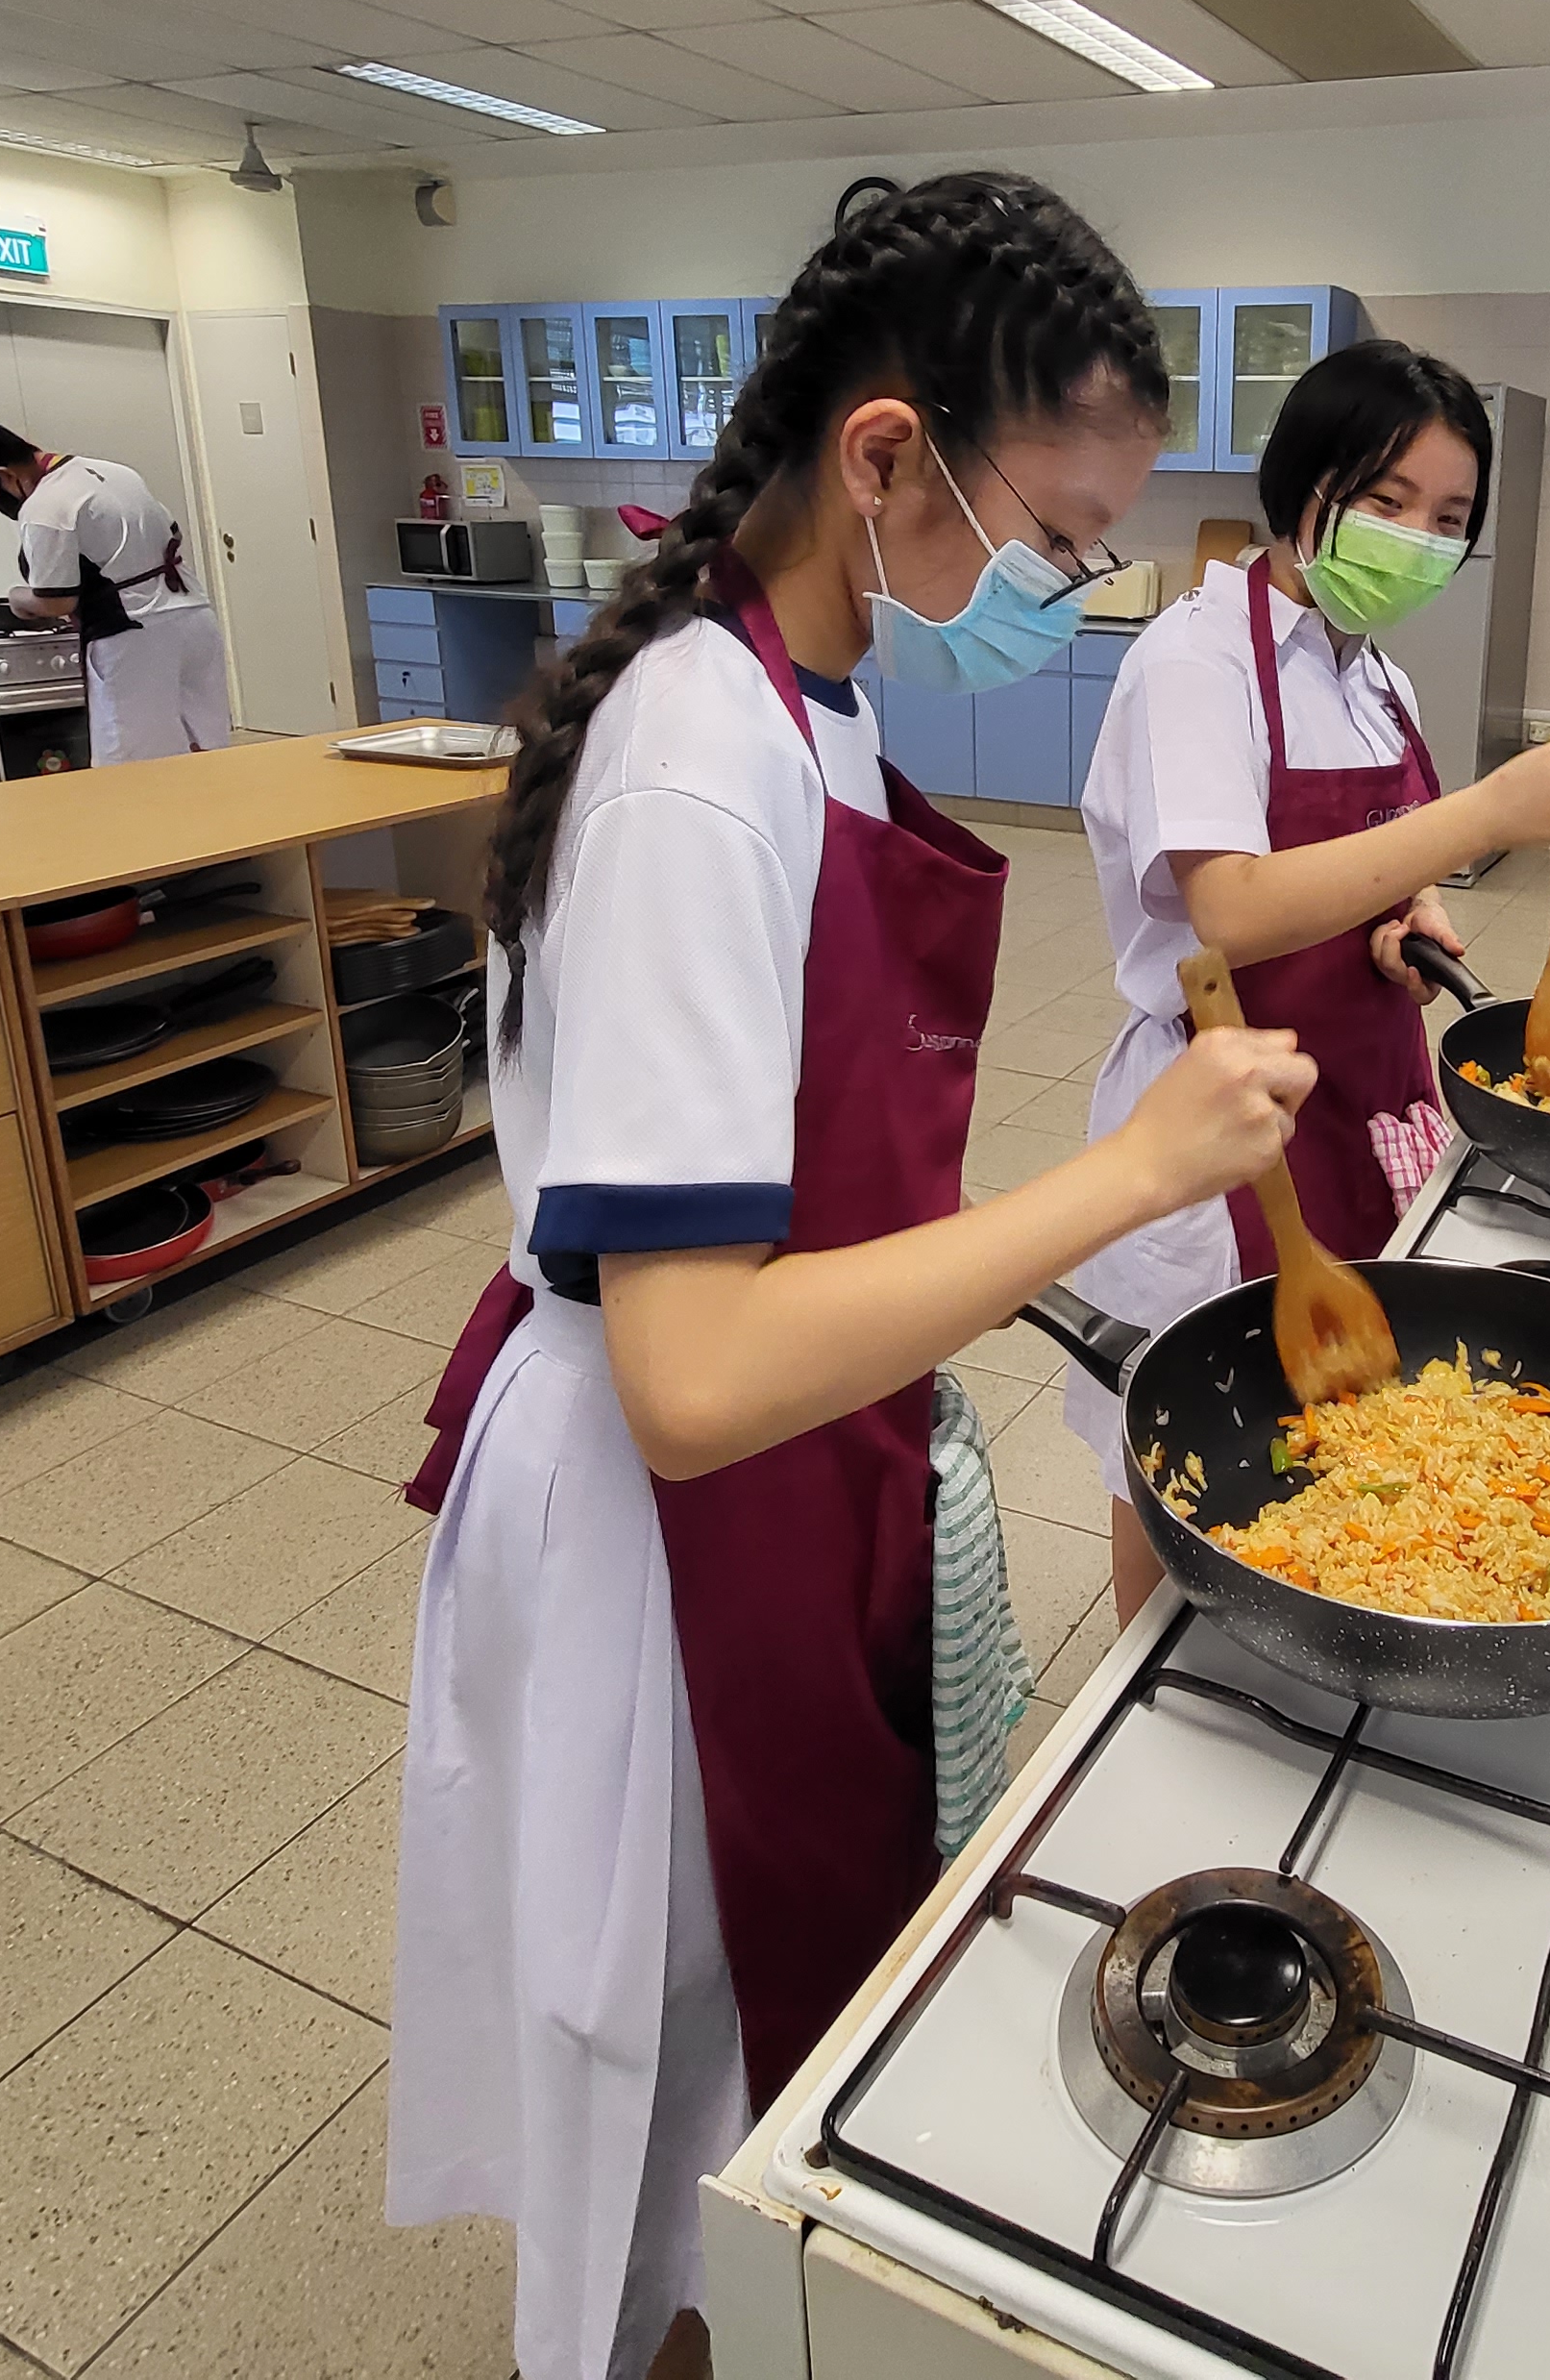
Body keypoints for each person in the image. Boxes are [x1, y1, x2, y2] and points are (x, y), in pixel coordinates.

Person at [386, 173, 1316, 2380]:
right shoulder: (697, 755)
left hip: (777, 1458)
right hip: (663, 1495)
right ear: (885, 457)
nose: (1073, 594)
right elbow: (697, 1370)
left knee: (740, 2046)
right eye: (1063, 540)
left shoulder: (801, 690)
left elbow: (793, 1178)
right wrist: (1121, 1181)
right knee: (656, 2056)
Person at [1064, 338, 1550, 1623]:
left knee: (1332, 1430)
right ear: (1307, 481)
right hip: (1218, 1119)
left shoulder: (1375, 674)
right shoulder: (1195, 660)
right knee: (1178, 1447)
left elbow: (1364, 870)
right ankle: (1147, 1689)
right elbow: (1227, 908)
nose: (1419, 540)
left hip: (1357, 1096)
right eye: (1389, 503)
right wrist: (1487, 812)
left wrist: (1412, 911)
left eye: (1450, 519)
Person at [0, 421, 233, 763]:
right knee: (206, 746)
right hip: (194, 617)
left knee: (135, 764)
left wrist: (18, 597)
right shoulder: (117, 472)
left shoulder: (46, 505)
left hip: (134, 637)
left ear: (4, 475)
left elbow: (56, 600)